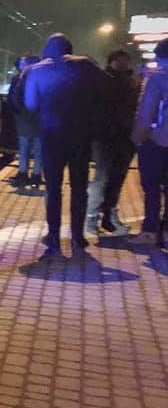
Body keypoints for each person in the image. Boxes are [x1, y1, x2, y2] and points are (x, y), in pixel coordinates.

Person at [21, 33, 105, 257]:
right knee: (79, 187)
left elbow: (30, 104)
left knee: (53, 188)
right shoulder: (87, 66)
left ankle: (54, 237)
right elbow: (102, 96)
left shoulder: (36, 70)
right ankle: (78, 236)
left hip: (51, 136)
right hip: (81, 135)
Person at [86, 49, 140, 235]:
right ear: (112, 61)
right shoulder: (103, 80)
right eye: (121, 61)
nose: (125, 64)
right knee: (102, 178)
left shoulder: (132, 82)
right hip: (106, 137)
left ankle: (108, 217)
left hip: (124, 137)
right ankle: (92, 218)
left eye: (127, 61)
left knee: (117, 179)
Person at [129, 38, 168, 246]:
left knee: (152, 187)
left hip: (158, 140)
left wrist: (138, 138)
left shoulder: (157, 76)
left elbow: (147, 111)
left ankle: (150, 231)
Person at [8, 55, 42, 188]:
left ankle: (23, 175)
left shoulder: (21, 78)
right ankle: (36, 176)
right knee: (38, 149)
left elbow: (14, 98)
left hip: (24, 119)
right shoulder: (44, 77)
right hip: (40, 119)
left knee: (24, 149)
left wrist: (19, 111)